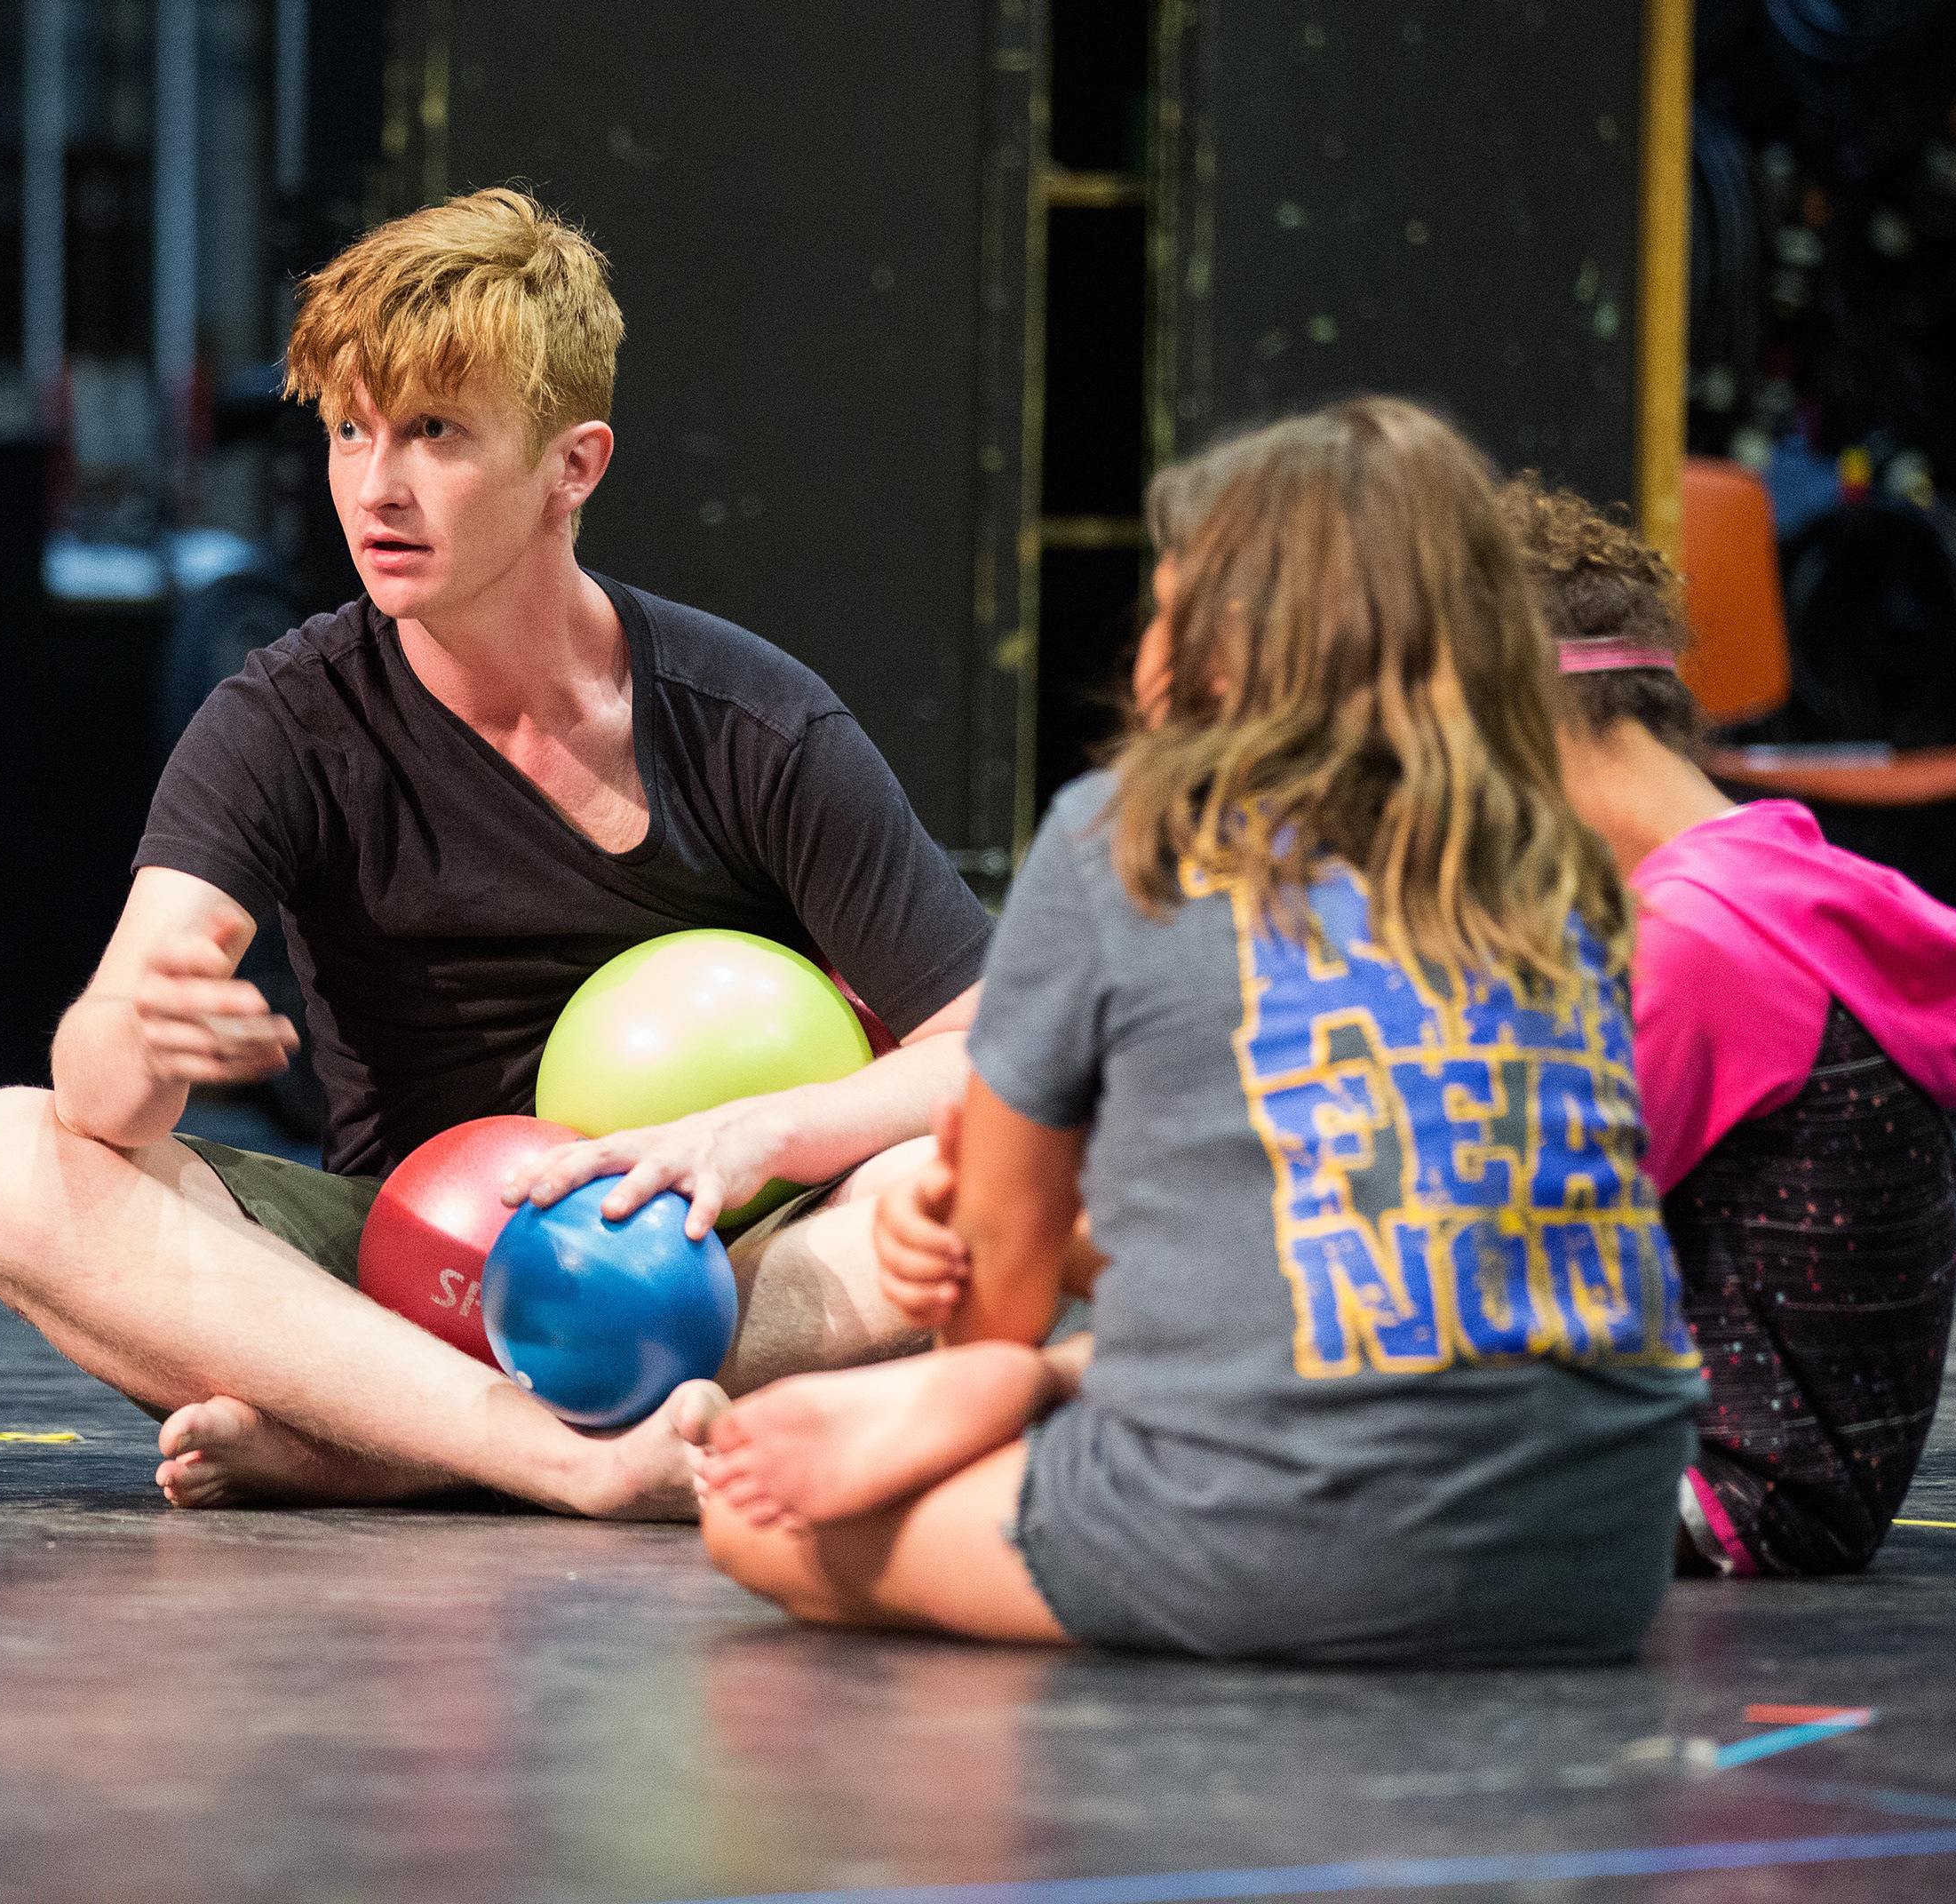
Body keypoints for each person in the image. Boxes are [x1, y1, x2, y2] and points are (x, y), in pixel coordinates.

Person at [0, 189, 993, 1518]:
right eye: (350, 430)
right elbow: (104, 1092)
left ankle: (374, 1449)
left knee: (990, 1174)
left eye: (436, 432)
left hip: (703, 1266)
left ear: (573, 466)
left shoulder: (752, 723)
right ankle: (564, 1456)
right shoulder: (284, 719)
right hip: (401, 1280)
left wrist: (756, 1131)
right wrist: (137, 1039)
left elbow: (997, 1050)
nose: (377, 485)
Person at [696, 401, 1700, 1662]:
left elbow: (998, 1277)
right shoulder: (1553, 864)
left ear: (1224, 652)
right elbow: (1375, 1239)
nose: (1145, 653)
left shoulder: (1120, 840)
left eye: (1167, 611)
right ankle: (1065, 1397)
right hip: (1599, 1554)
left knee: (754, 1523)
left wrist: (987, 1342)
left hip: (1282, 1546)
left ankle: (1052, 1417)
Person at [1498, 475, 1956, 1579]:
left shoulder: (1694, 939)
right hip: (1803, 1478)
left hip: (1720, 1484)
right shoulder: (1780, 876)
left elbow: (1519, 1225)